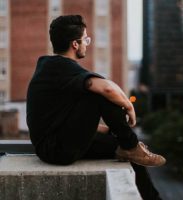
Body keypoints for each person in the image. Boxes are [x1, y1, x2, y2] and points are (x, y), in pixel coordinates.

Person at [26, 15, 165, 200]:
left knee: (129, 154)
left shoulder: (51, 67)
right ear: (75, 44)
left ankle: (152, 195)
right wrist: (129, 106)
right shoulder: (61, 67)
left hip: (54, 146)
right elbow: (106, 87)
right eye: (86, 39)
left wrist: (106, 130)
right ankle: (131, 145)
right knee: (96, 93)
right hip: (57, 150)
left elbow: (60, 117)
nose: (87, 44)